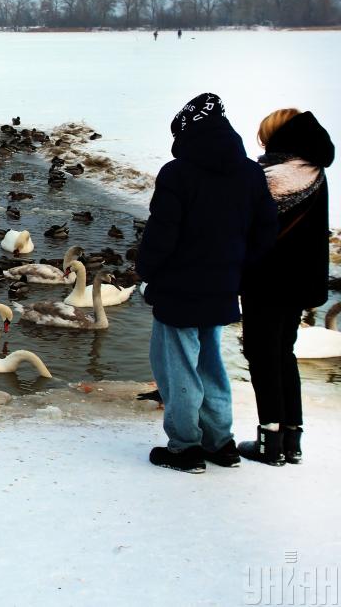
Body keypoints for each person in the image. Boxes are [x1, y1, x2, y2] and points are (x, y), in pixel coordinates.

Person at [137, 93, 277, 473]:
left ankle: (185, 448)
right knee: (211, 363)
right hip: (222, 285)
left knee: (178, 367)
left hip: (179, 287)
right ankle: (221, 443)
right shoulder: (250, 172)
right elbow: (266, 231)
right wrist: (236, 268)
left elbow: (161, 234)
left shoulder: (178, 173)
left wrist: (145, 270)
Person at [239, 109, 334, 465]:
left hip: (267, 279)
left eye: (265, 136)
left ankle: (269, 442)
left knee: (261, 356)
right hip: (301, 281)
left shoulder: (273, 175)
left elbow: (247, 224)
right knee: (283, 353)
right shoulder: (314, 170)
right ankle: (292, 440)